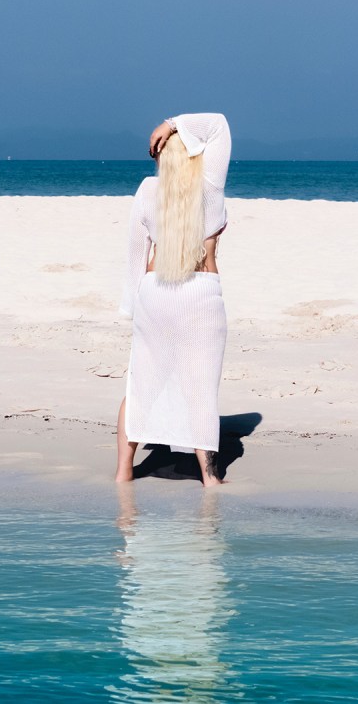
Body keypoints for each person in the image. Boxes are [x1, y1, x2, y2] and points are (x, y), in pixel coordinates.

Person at [115, 113, 232, 487]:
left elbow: (137, 254)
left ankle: (123, 474)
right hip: (200, 294)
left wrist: (134, 310)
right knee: (200, 386)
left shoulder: (149, 190)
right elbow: (218, 125)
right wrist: (172, 123)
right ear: (196, 155)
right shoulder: (210, 186)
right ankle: (209, 479)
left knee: (141, 384)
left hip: (156, 294)